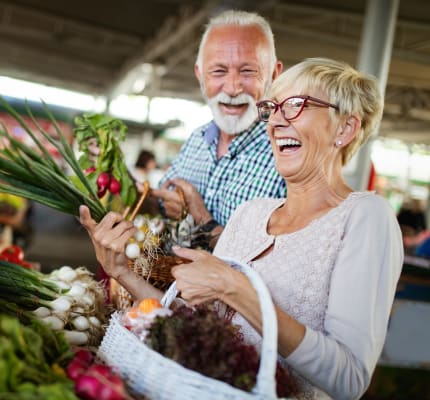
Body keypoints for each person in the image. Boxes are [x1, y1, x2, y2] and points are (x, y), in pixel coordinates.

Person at [80, 57, 404, 399]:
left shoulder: (365, 216)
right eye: (272, 108)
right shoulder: (249, 214)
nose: (276, 121)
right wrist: (123, 273)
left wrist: (235, 287)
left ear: (345, 129)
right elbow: (196, 329)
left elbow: (349, 380)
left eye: (295, 106)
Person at [150, 10, 285, 244]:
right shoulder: (197, 139)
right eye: (219, 71)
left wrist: (200, 217)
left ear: (274, 74)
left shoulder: (288, 153)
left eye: (248, 71)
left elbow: (277, 260)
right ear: (200, 75)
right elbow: (160, 204)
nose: (232, 88)